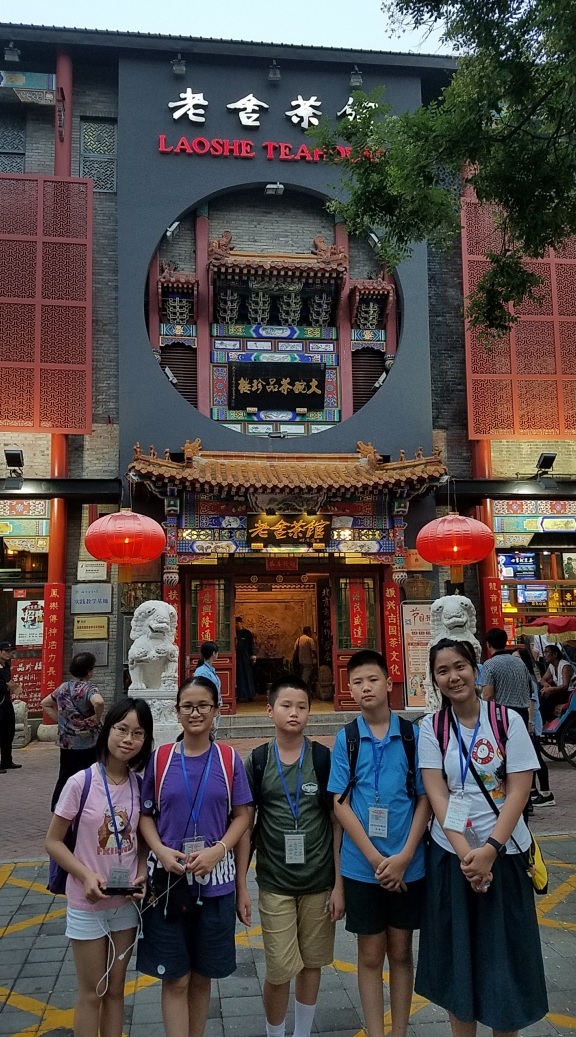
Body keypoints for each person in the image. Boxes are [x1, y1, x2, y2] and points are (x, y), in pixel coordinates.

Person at [415, 637, 548, 1036]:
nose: (453, 677)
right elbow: (436, 792)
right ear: (435, 680)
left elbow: (519, 790)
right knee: (459, 961)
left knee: (504, 962)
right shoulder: (432, 727)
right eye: (442, 671)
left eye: (460, 667)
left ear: (476, 670)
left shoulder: (507, 721)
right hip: (452, 856)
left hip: (505, 855)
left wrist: (490, 849)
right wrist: (466, 856)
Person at [136, 675, 252, 1037]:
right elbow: (145, 815)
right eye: (187, 706)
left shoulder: (229, 759)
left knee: (202, 978)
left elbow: (243, 816)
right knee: (175, 979)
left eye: (203, 705)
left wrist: (220, 852)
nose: (195, 712)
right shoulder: (161, 759)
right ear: (177, 711)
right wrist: (159, 850)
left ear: (216, 710)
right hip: (167, 885)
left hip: (216, 886)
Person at [328, 650, 430, 1037]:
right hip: (361, 866)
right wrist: (374, 859)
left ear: (389, 683)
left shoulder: (412, 736)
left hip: (408, 863)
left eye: (373, 679)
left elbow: (425, 799)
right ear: (349, 689)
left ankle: (399, 1031)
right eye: (357, 682)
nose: (365, 688)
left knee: (401, 951)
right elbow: (340, 804)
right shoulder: (347, 739)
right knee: (370, 954)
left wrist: (404, 856)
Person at [236, 675, 345, 1037]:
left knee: (312, 963)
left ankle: (302, 1032)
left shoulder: (322, 758)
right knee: (280, 969)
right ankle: (274, 1032)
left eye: (302, 706)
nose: (294, 713)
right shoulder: (258, 760)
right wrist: (241, 885)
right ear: (270, 711)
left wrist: (339, 885)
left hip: (319, 880)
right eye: (286, 705)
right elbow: (246, 825)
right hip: (274, 881)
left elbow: (336, 823)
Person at [45, 697, 153, 1037]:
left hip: (125, 904)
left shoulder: (139, 785)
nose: (128, 739)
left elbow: (141, 842)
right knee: (93, 992)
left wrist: (142, 871)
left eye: (138, 733)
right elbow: (53, 841)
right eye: (122, 729)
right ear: (107, 730)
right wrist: (85, 875)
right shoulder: (81, 783)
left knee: (116, 991)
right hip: (87, 903)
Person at [41, 652, 105, 810]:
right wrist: (97, 717)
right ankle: (86, 806)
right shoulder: (89, 688)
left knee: (65, 775)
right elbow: (98, 702)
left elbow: (45, 703)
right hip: (88, 743)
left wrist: (62, 721)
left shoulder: (63, 687)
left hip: (67, 743)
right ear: (89, 671)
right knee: (90, 776)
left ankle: (58, 806)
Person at [513, 646, 555, 807]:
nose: (514, 662)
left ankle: (546, 793)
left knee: (536, 757)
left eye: (517, 659)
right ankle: (533, 791)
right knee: (529, 758)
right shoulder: (522, 677)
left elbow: (531, 702)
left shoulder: (528, 678)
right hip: (528, 722)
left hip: (532, 723)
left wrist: (530, 724)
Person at [481, 627, 532, 726]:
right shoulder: (520, 662)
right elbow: (531, 688)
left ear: (488, 644)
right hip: (523, 712)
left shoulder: (489, 664)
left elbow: (488, 695)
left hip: (503, 713)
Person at [539, 642, 575, 723]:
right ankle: (544, 721)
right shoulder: (551, 666)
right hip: (560, 692)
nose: (544, 655)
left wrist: (550, 689)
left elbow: (565, 686)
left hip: (570, 693)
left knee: (547, 698)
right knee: (543, 694)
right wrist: (546, 686)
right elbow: (543, 680)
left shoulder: (565, 666)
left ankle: (544, 721)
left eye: (547, 652)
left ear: (555, 654)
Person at [0, 641, 21, 772]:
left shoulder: (6, 666)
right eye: (6, 651)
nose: (9, 653)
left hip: (6, 701)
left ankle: (6, 760)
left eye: (10, 651)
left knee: (8, 731)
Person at [194, 641, 222, 731]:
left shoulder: (209, 670)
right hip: (208, 709)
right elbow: (202, 693)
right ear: (214, 653)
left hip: (213, 708)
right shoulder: (202, 672)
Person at [235, 617, 256, 702]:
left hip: (245, 658)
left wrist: (253, 655)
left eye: (237, 623)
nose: (236, 625)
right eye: (234, 623)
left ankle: (250, 694)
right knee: (238, 677)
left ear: (241, 623)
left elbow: (251, 645)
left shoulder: (247, 633)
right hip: (236, 658)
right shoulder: (233, 633)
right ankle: (239, 695)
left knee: (247, 676)